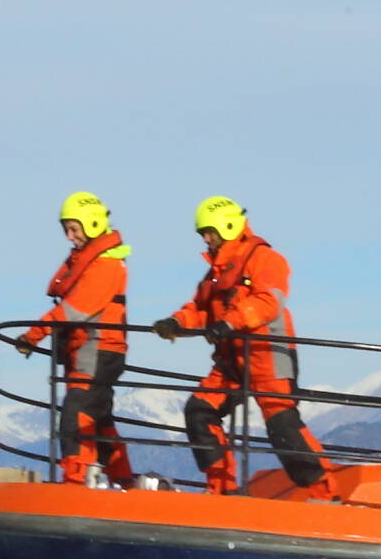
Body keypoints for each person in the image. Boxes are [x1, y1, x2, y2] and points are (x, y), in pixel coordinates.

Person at [152, 196, 330, 495]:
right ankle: (222, 490)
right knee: (199, 410)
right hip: (231, 360)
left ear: (228, 226)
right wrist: (175, 323)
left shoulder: (265, 259)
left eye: (210, 232)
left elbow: (269, 301)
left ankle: (325, 492)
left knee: (282, 425)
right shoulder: (216, 274)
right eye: (203, 233)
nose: (206, 239)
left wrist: (229, 323)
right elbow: (201, 310)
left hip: (267, 356)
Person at [18, 192, 136, 485]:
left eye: (74, 229)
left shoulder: (105, 265)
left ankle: (74, 480)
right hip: (89, 351)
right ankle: (125, 481)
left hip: (98, 349)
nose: (70, 237)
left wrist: (34, 335)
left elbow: (75, 310)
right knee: (99, 418)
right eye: (67, 230)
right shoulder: (94, 261)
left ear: (93, 224)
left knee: (77, 412)